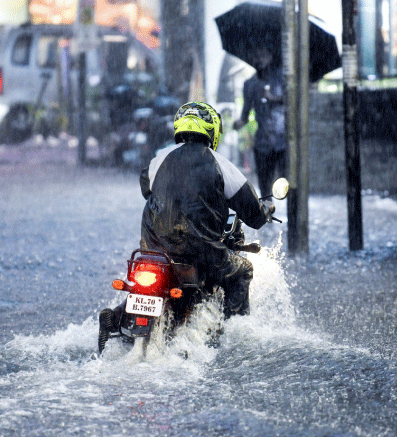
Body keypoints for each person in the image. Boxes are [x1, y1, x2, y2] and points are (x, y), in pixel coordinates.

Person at [99, 101, 274, 335]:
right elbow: (254, 216)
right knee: (243, 270)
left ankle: (117, 316)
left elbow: (146, 189)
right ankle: (235, 335)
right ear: (212, 130)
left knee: (142, 282)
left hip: (155, 251)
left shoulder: (160, 158)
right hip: (203, 253)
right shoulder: (221, 164)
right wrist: (266, 209)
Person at [233, 46, 287, 196]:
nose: (259, 60)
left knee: (287, 183)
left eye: (263, 56)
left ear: (270, 58)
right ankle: (268, 209)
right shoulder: (250, 84)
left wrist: (274, 98)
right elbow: (245, 114)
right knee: (265, 187)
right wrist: (237, 124)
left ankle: (292, 209)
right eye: (256, 57)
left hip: (283, 141)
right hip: (262, 143)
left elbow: (294, 101)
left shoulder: (282, 78)